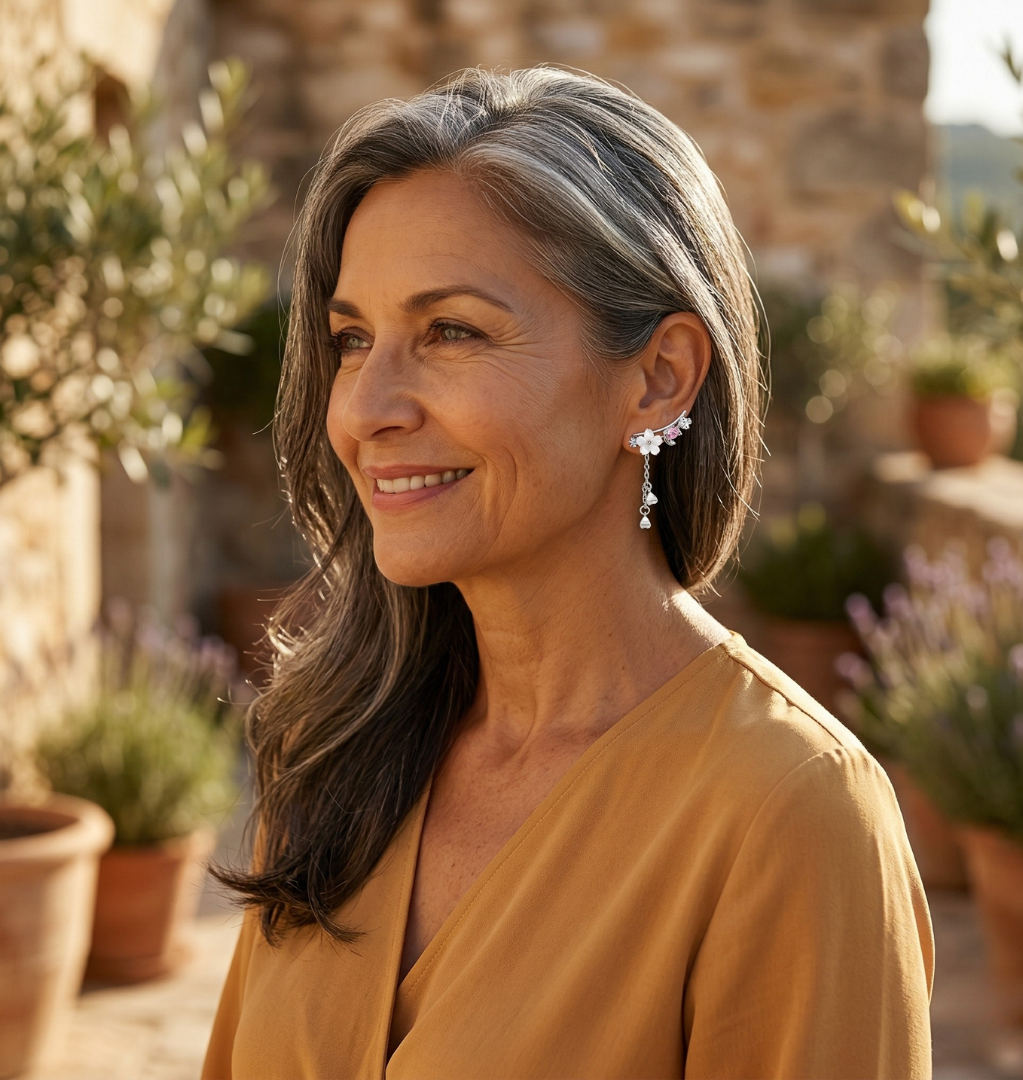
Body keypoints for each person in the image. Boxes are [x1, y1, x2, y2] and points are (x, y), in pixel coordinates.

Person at [202, 66, 933, 1080]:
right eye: (352, 338)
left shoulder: (793, 814)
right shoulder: (333, 757)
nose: (365, 408)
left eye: (452, 331)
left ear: (658, 378)